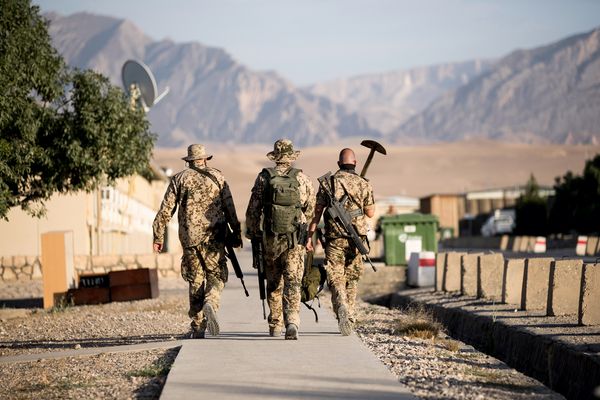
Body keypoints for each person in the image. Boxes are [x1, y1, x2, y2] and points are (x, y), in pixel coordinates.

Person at [153, 144, 242, 339]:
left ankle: (198, 326)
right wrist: (236, 232)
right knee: (216, 276)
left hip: (189, 238)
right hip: (214, 237)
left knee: (195, 280)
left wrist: (158, 236)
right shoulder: (218, 177)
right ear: (205, 159)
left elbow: (166, 210)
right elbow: (230, 207)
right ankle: (211, 301)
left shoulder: (179, 179)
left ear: (189, 161)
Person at [245, 139, 315, 340]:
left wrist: (253, 233)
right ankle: (292, 321)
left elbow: (253, 209)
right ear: (292, 157)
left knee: (274, 281)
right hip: (295, 239)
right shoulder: (303, 179)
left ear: (275, 157)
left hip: (271, 238)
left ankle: (275, 323)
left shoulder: (264, 178)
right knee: (293, 280)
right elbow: (309, 210)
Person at [306, 148, 375, 336]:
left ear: (338, 164)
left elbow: (317, 213)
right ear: (355, 164)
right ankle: (349, 315)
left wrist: (308, 237)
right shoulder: (363, 184)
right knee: (352, 277)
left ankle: (341, 305)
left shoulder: (328, 183)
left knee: (336, 276)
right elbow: (370, 213)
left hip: (334, 238)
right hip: (357, 239)